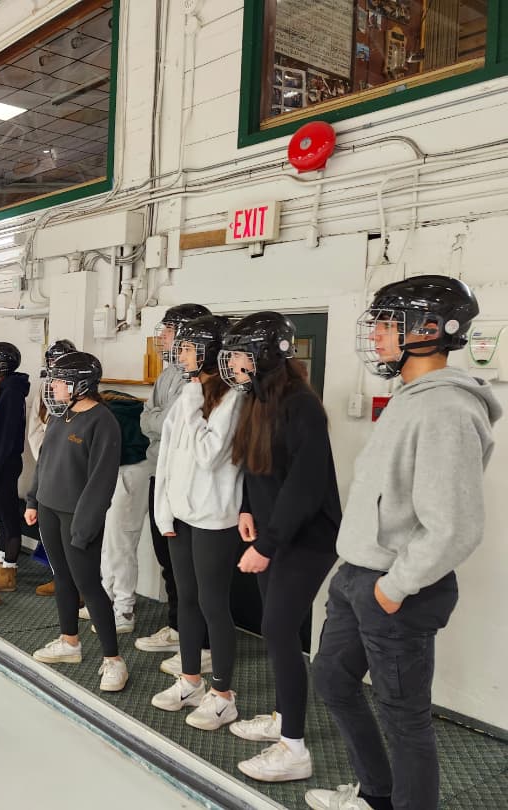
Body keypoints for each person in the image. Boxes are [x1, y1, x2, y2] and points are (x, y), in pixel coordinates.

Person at [306, 276, 498, 810]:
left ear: (431, 330)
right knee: (332, 680)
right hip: (358, 575)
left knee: (404, 719)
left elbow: (456, 524)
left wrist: (395, 587)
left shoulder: (446, 410)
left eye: (390, 324)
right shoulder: (412, 400)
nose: (380, 335)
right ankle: (376, 795)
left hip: (395, 587)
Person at [215, 312, 340, 783]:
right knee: (277, 631)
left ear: (267, 355)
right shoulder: (257, 398)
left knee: (280, 630)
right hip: (273, 531)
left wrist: (268, 544)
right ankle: (281, 716)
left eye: (242, 354)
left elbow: (305, 489)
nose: (234, 364)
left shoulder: (301, 405)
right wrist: (247, 509)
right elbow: (256, 464)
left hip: (306, 538)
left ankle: (294, 750)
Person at [150, 315, 244, 730]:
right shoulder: (189, 391)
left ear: (208, 352)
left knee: (213, 604)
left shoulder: (233, 399)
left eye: (187, 348)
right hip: (181, 515)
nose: (179, 354)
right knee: (186, 599)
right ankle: (189, 681)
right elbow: (168, 457)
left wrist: (191, 401)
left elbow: (210, 455)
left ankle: (222, 694)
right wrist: (163, 509)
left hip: (213, 518)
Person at [26, 351, 126, 692]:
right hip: (49, 510)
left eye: (58, 381)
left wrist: (85, 526)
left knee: (89, 586)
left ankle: (113, 660)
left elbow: (101, 481)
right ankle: (69, 642)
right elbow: (45, 462)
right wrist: (32, 499)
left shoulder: (102, 421)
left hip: (77, 517)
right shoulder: (60, 415)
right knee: (62, 578)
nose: (52, 387)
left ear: (80, 385)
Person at [135, 303, 213, 672]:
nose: (162, 338)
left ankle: (203, 642)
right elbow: (147, 420)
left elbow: (166, 423)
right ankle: (177, 627)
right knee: (168, 561)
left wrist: (157, 418)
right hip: (158, 471)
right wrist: (157, 418)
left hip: (186, 482)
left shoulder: (199, 380)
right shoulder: (168, 374)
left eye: (167, 331)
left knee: (191, 568)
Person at [90, 388, 152, 634]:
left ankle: (124, 610)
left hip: (130, 473)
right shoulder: (107, 407)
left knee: (122, 543)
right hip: (125, 472)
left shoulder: (107, 412)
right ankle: (106, 600)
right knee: (110, 541)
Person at [26, 338, 77, 597]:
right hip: (46, 466)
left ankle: (76, 583)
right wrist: (44, 455)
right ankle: (59, 578)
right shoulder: (45, 388)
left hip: (69, 473)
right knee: (50, 530)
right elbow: (35, 426)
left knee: (71, 534)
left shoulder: (79, 394)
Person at [0, 341, 30, 592]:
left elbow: (8, 437)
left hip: (4, 465)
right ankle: (0, 562)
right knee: (1, 514)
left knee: (9, 518)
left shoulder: (11, 393)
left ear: (1, 364)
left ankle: (8, 570)